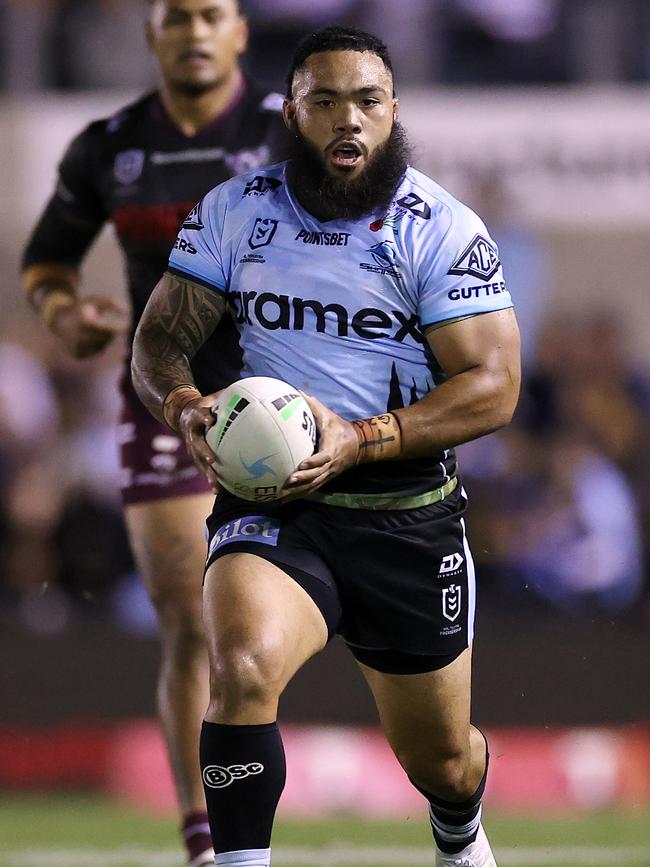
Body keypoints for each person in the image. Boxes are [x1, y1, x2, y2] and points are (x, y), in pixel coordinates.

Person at [132, 25, 521, 867]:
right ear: (292, 113)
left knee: (442, 761)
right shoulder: (235, 212)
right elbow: (157, 339)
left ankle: (459, 827)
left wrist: (364, 436)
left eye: (368, 101)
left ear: (394, 111)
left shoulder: (440, 230)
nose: (349, 120)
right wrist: (185, 403)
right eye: (326, 102)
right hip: (280, 506)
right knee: (238, 664)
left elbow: (495, 386)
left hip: (406, 519)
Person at [21, 2, 287, 865]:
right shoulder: (108, 145)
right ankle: (205, 837)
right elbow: (48, 258)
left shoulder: (291, 130)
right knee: (193, 621)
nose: (194, 30)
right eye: (176, 15)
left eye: (212, 13)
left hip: (297, 403)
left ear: (241, 31)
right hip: (166, 401)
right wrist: (66, 312)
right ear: (152, 34)